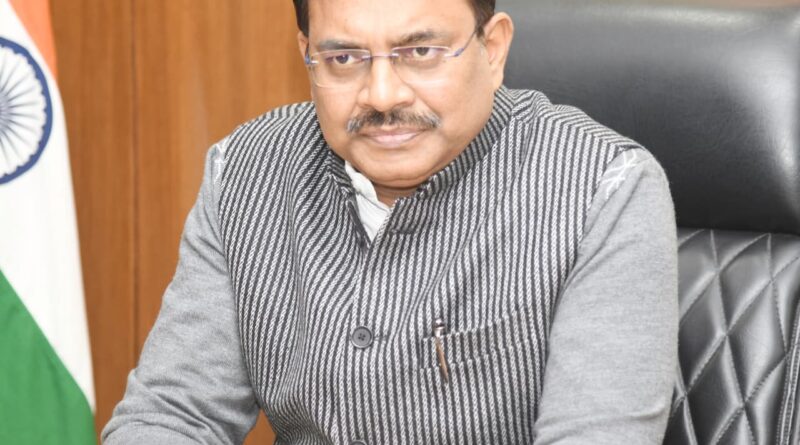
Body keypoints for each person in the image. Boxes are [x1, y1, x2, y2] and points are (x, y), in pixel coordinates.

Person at [102, 0, 678, 443]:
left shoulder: (602, 188)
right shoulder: (248, 170)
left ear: (493, 48)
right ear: (307, 53)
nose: (381, 96)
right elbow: (172, 414)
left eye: (420, 51)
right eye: (344, 59)